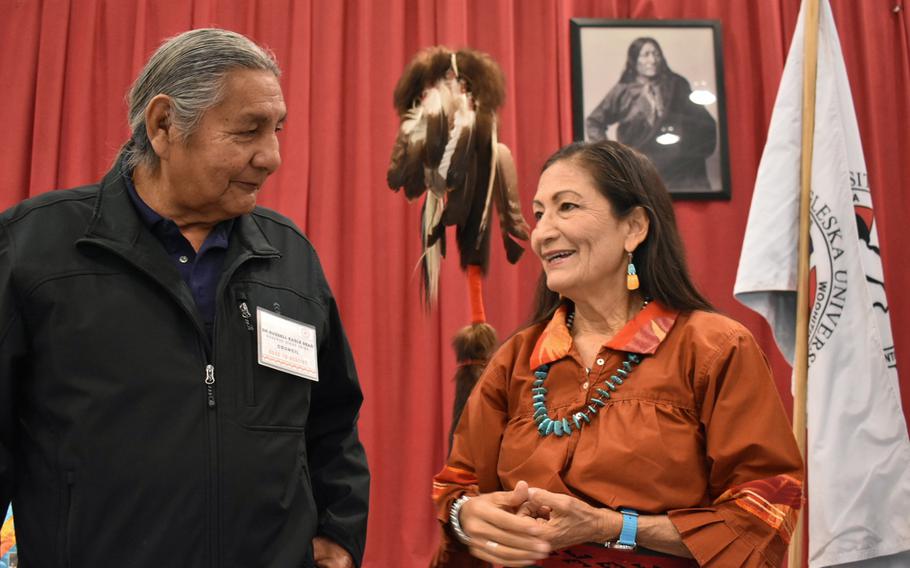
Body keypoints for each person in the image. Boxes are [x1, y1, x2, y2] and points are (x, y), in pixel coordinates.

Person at [0, 29, 369, 568]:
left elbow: (333, 419)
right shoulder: (34, 247)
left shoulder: (290, 256)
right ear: (164, 124)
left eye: (277, 130)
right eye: (248, 131)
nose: (272, 157)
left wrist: (340, 530)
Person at [431, 141, 803, 567]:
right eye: (538, 213)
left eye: (566, 207)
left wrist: (614, 527)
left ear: (634, 228)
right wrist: (467, 517)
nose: (542, 232)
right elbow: (456, 489)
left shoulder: (712, 347)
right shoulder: (516, 358)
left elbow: (766, 510)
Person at [586, 37, 717, 192]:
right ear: (634, 60)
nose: (653, 60)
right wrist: (612, 157)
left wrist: (691, 153)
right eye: (646, 54)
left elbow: (703, 122)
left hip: (680, 172)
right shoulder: (622, 91)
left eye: (656, 54)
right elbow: (594, 122)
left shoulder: (677, 84)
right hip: (640, 171)